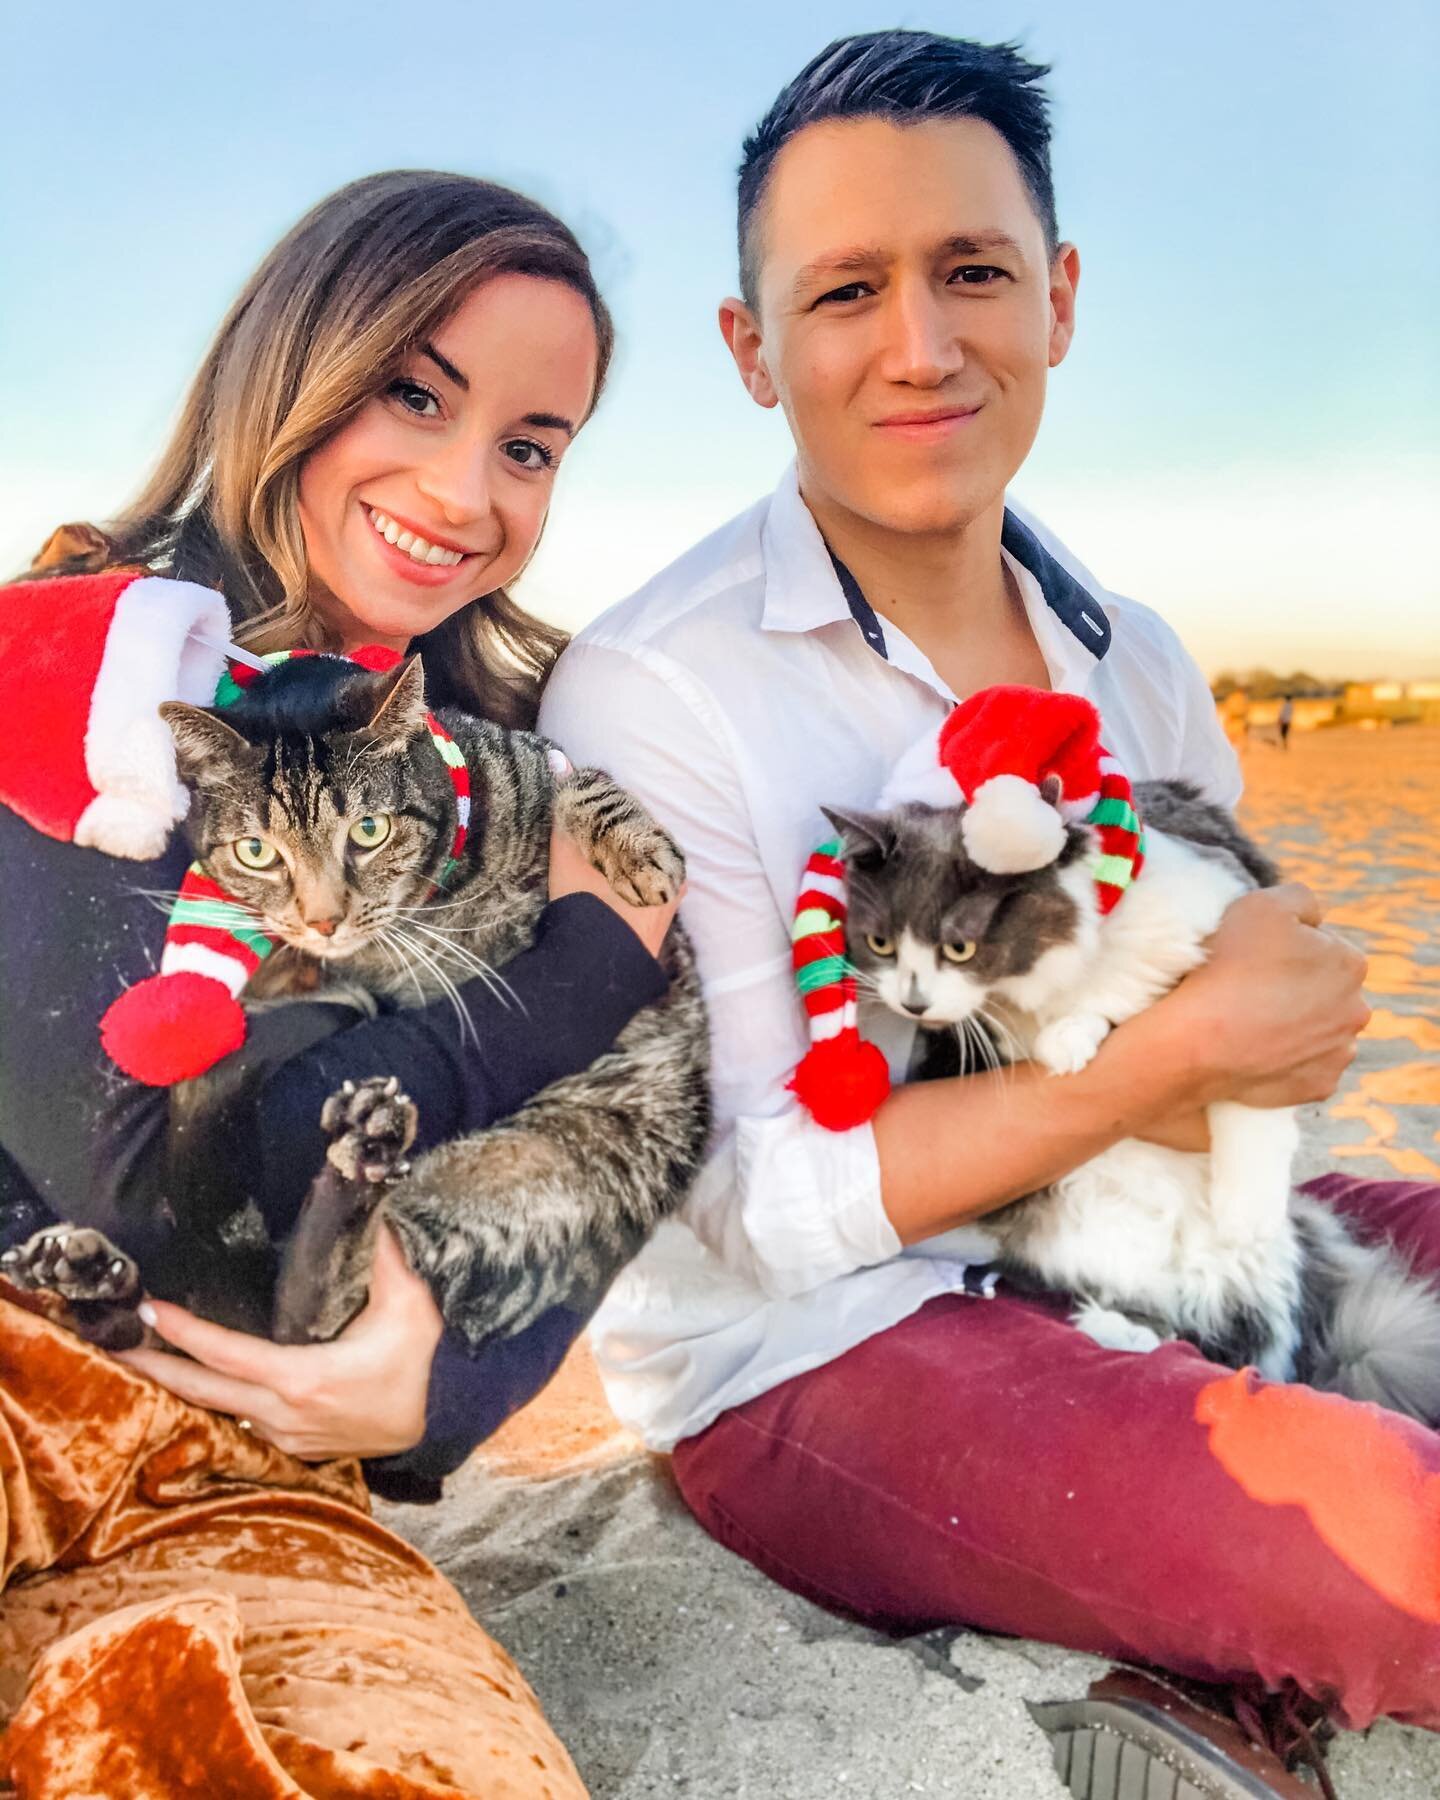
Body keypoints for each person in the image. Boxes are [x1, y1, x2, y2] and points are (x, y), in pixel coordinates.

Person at [539, 32, 1440, 1797]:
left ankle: (1196, 1654)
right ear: (752, 348)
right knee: (1397, 1548)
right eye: (846, 290)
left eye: (972, 273)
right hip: (839, 1347)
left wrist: (1238, 1017)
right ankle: (1208, 1628)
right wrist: (1162, 1064)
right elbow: (745, 1206)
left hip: (1154, 1230)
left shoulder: (1137, 654)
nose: (921, 346)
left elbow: (1248, 1029)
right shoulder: (655, 692)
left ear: (1062, 298)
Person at [0, 170, 679, 1792]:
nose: (466, 489)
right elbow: (166, 1202)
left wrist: (442, 1369)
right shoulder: (85, 663)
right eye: (414, 393)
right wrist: (582, 970)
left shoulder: (517, 757)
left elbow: (604, 1156)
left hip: (262, 1489)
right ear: (290, 364)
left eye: (530, 443)